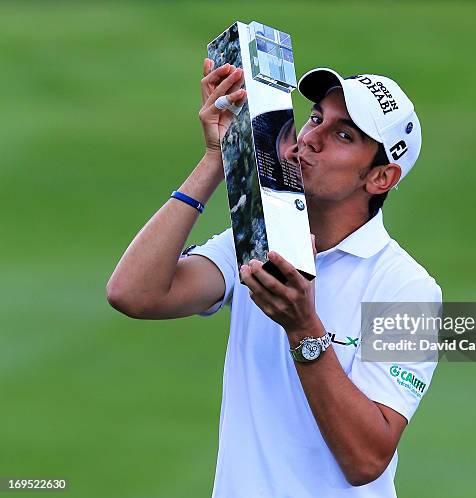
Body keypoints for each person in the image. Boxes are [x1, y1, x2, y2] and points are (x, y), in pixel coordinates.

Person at [106, 58, 442, 497]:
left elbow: (366, 460)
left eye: (343, 135)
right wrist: (217, 158)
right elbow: (134, 293)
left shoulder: (409, 290)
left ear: (380, 177)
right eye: (316, 118)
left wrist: (304, 329)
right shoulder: (256, 238)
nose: (311, 139)